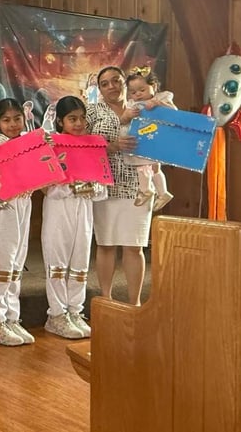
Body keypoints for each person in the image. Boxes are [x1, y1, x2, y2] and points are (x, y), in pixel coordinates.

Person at [41, 96, 106, 339]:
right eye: (72, 119)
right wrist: (75, 187)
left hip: (84, 209)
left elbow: (102, 188)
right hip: (59, 210)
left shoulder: (91, 146)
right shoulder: (51, 146)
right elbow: (47, 187)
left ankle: (75, 311)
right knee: (57, 261)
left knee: (80, 261)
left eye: (81, 118)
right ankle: (57, 314)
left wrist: (90, 188)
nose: (78, 124)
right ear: (60, 121)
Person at [87, 66, 150, 306]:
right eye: (105, 83)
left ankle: (135, 304)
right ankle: (107, 301)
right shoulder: (92, 111)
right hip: (106, 187)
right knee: (106, 245)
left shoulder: (143, 106)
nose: (111, 86)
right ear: (99, 89)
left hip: (139, 187)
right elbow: (83, 144)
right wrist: (112, 145)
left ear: (125, 82)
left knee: (134, 247)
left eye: (116, 80)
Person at [0, 98, 36, 346]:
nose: (12, 124)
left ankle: (11, 317)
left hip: (23, 205)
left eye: (17, 119)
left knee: (16, 264)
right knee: (1, 264)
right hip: (2, 209)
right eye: (6, 120)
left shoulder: (27, 144)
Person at [124, 69, 176, 210]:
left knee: (150, 166)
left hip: (156, 139)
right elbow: (125, 119)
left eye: (142, 90)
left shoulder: (161, 99)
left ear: (154, 86)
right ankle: (160, 192)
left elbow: (174, 113)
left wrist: (159, 104)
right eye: (133, 92)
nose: (138, 94)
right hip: (142, 139)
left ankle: (147, 190)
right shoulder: (132, 104)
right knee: (147, 167)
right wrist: (129, 114)